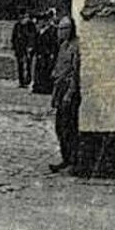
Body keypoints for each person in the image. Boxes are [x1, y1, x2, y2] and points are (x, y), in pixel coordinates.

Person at [49, 17, 81, 173]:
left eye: (64, 29)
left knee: (69, 127)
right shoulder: (63, 47)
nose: (61, 32)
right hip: (60, 89)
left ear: (71, 29)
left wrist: (69, 93)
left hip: (69, 90)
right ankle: (65, 158)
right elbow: (58, 68)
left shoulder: (75, 47)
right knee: (59, 127)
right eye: (60, 29)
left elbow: (75, 72)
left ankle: (73, 161)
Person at [32, 10, 59, 96]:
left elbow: (53, 43)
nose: (41, 22)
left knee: (46, 70)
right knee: (39, 70)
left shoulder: (51, 31)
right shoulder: (40, 31)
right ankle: (38, 86)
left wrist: (51, 53)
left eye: (43, 20)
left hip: (47, 54)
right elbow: (36, 42)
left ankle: (46, 88)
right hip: (40, 54)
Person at [12, 11, 38, 87]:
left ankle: (28, 80)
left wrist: (31, 46)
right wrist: (14, 46)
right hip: (19, 48)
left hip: (27, 48)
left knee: (28, 65)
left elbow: (32, 37)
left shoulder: (31, 26)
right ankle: (21, 81)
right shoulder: (17, 25)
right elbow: (14, 36)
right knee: (20, 64)